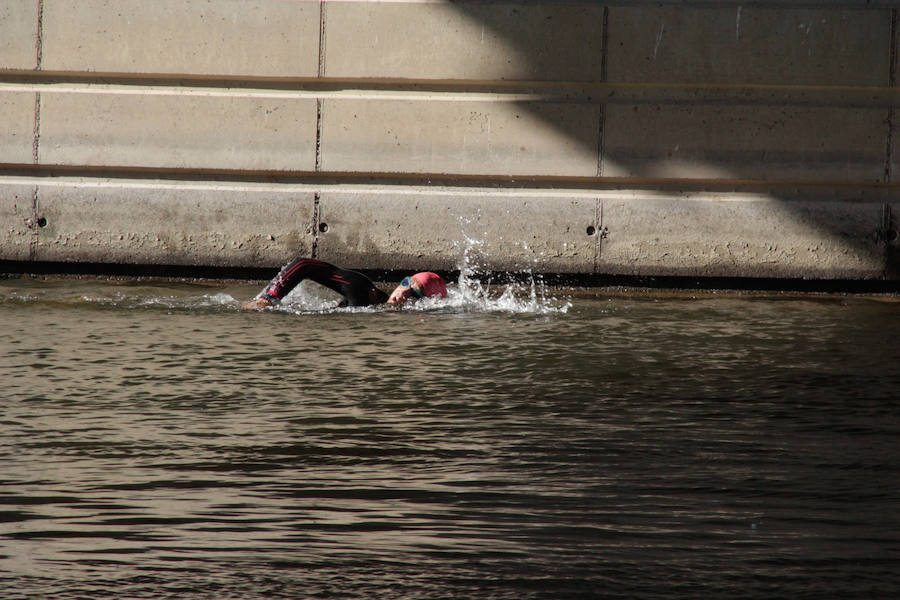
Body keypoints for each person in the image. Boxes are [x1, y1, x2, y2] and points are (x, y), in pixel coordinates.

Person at [242, 257, 447, 310]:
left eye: (415, 294)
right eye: (405, 284)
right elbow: (302, 264)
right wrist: (268, 299)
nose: (403, 293)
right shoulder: (362, 288)